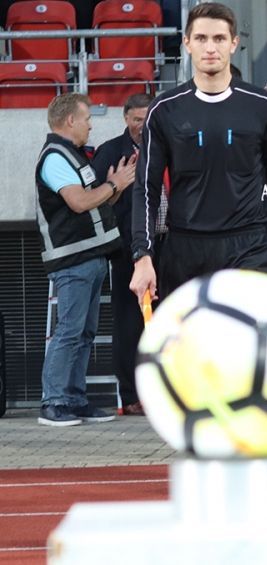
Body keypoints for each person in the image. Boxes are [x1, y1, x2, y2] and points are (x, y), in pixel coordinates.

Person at [129, 2, 267, 304]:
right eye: (201, 38)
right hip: (185, 251)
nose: (210, 48)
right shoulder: (164, 109)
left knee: (244, 335)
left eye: (219, 38)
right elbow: (146, 189)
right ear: (187, 43)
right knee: (193, 338)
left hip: (249, 247)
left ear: (234, 43)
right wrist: (142, 255)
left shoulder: (263, 106)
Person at [35, 92, 135, 426]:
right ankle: (53, 402)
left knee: (84, 333)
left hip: (90, 254)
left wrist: (116, 186)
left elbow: (96, 202)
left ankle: (74, 400)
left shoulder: (72, 155)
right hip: (73, 257)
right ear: (70, 121)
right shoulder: (55, 157)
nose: (91, 126)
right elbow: (79, 202)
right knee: (69, 331)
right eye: (87, 119)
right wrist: (113, 184)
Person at [92, 92, 153, 416]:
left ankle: (166, 393)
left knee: (167, 321)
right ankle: (130, 396)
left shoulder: (168, 144)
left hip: (168, 243)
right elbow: (93, 201)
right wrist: (116, 186)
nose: (142, 125)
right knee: (129, 324)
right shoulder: (110, 152)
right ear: (126, 118)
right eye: (137, 119)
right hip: (126, 248)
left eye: (147, 118)